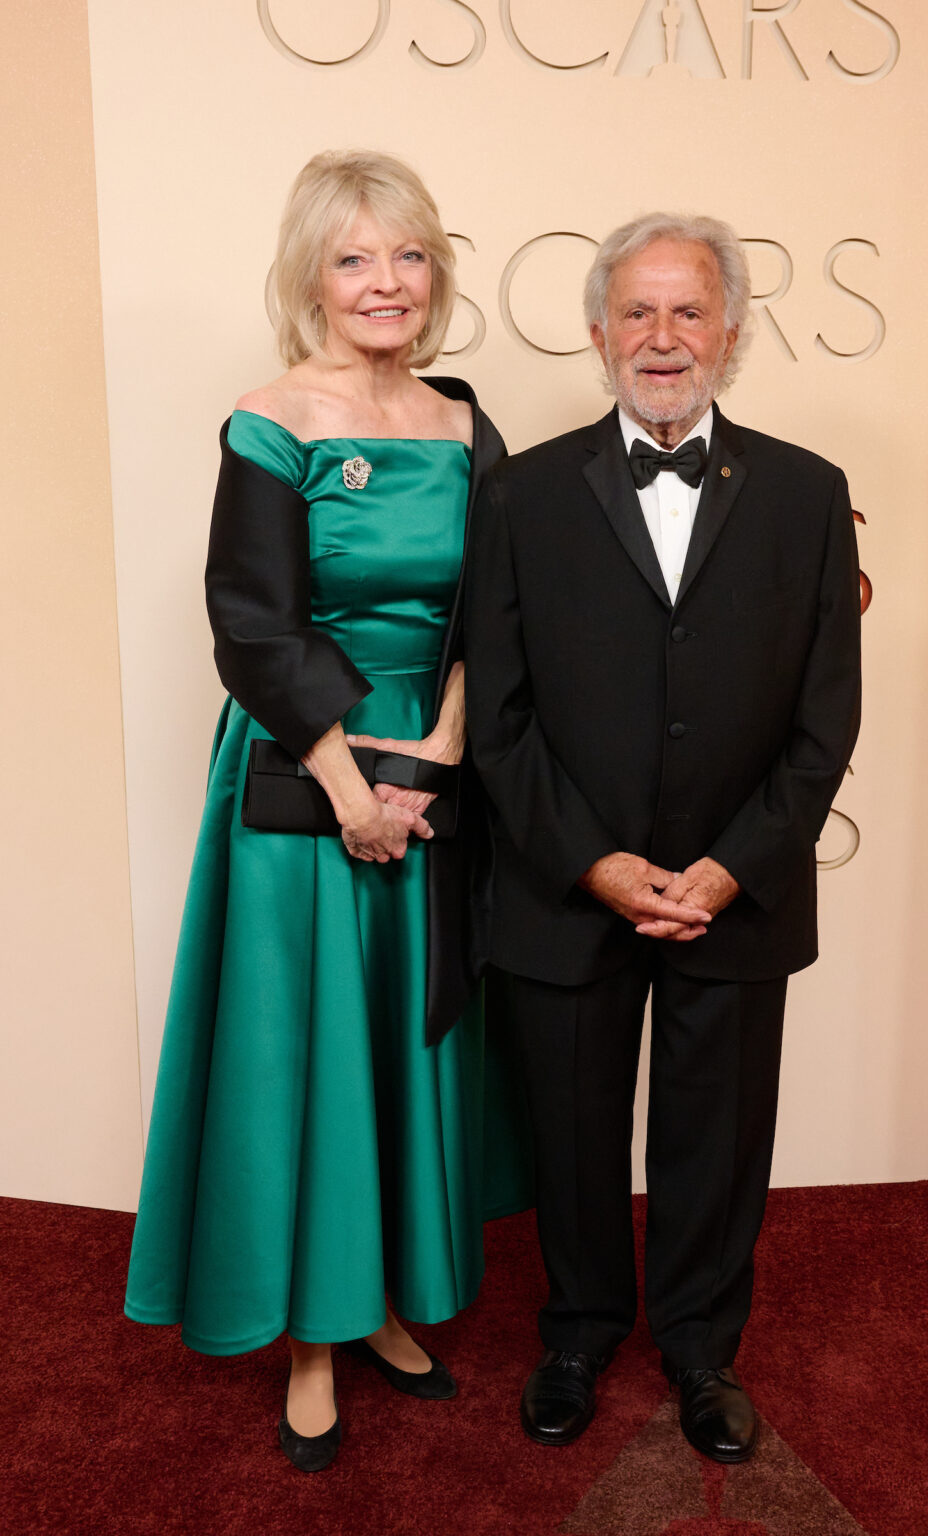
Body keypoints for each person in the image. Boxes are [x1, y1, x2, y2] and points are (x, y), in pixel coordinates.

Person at [125, 150, 526, 1473]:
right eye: (354, 258)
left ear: (434, 274)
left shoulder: (464, 425)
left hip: (431, 772)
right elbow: (252, 621)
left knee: (405, 1040)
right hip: (307, 774)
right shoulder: (270, 419)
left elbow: (498, 607)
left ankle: (385, 1302)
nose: (383, 282)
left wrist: (447, 746)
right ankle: (310, 1335)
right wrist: (356, 790)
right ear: (311, 276)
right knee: (306, 1052)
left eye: (406, 256)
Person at [464, 213, 861, 1463]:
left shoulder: (809, 493)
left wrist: (734, 866)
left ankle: (700, 1350)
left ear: (731, 332)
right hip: (568, 887)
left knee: (717, 1137)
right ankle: (577, 1335)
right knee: (573, 1131)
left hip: (735, 890)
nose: (663, 336)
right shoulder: (517, 494)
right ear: (597, 331)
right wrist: (594, 862)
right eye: (637, 310)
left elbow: (827, 718)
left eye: (690, 310)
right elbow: (499, 718)